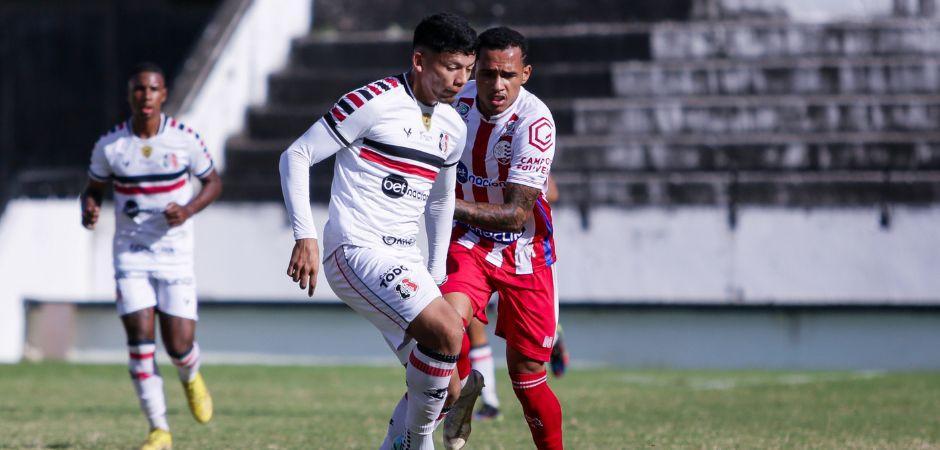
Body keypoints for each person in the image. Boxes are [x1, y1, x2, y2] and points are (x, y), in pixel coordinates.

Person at [278, 13, 477, 450]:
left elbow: (441, 201)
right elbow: (297, 155)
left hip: (405, 261)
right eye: (451, 66)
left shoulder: (453, 127)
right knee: (447, 333)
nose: (461, 79)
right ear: (420, 61)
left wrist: (435, 272)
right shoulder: (372, 101)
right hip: (354, 250)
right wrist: (305, 235)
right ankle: (419, 443)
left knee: (450, 387)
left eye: (468, 68)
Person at [81, 62, 221, 450]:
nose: (145, 96)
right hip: (130, 256)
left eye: (153, 89)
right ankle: (159, 430)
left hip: (174, 255)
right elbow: (93, 188)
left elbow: (213, 182)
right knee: (140, 343)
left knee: (177, 346)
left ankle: (190, 375)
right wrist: (89, 207)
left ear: (163, 95)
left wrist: (188, 210)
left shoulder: (184, 139)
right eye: (138, 90)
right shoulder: (111, 145)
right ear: (131, 96)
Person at [441, 27, 564, 450]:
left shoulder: (536, 122)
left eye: (507, 75)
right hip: (470, 242)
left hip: (524, 252)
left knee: (528, 380)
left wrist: (440, 204)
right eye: (489, 73)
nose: (497, 85)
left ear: (525, 73)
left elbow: (516, 216)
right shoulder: (453, 100)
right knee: (444, 326)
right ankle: (457, 399)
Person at [467, 175, 567, 422]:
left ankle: (552, 337)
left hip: (521, 256)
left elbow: (551, 192)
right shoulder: (473, 153)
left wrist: (518, 201)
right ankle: (489, 401)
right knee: (472, 323)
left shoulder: (524, 149)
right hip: (479, 248)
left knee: (522, 343)